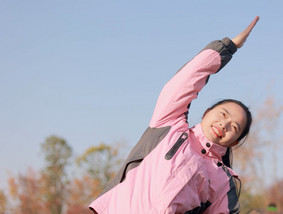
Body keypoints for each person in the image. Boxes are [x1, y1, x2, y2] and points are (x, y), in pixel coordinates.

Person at [89, 16, 260, 214]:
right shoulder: (169, 126)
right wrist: (228, 47)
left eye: (235, 127)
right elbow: (185, 81)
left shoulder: (224, 183)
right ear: (206, 113)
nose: (225, 124)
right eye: (223, 114)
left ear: (234, 143)